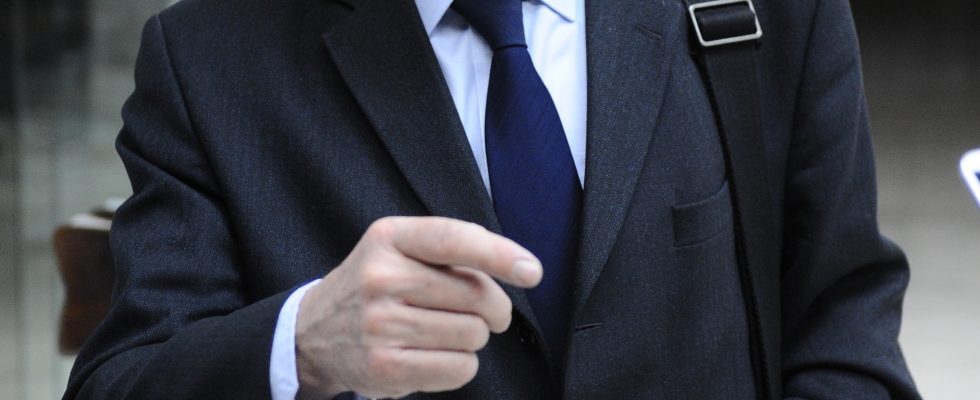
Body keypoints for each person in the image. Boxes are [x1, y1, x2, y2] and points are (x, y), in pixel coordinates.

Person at [63, 0, 921, 398]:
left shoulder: (767, 10)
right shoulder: (206, 58)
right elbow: (118, 383)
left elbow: (842, 326)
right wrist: (302, 345)